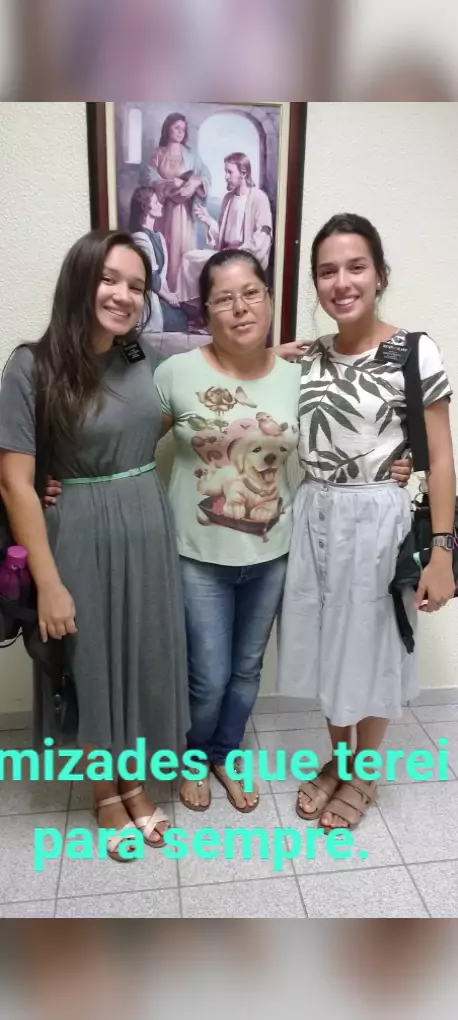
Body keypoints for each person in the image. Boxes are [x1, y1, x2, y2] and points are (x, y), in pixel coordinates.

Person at [43, 247, 411, 814]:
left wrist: (398, 465)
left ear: (269, 299)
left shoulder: (300, 377)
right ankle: (195, 756)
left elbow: (354, 432)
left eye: (251, 294)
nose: (240, 308)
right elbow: (121, 438)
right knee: (207, 675)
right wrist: (58, 474)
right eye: (224, 299)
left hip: (275, 553)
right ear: (206, 311)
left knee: (246, 671)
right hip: (195, 554)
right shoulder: (172, 373)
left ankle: (226, 753)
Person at [0, 229, 190, 862]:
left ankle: (133, 780)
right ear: (80, 280)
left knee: (138, 656)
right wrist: (49, 583)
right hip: (76, 534)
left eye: (136, 285)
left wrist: (277, 354)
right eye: (109, 279)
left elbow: (201, 379)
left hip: (145, 526)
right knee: (89, 663)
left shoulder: (140, 355)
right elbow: (15, 483)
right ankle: (104, 791)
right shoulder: (31, 365)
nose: (123, 295)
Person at [277, 212, 455, 831]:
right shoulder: (307, 357)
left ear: (380, 275)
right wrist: (269, 354)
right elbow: (246, 383)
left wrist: (442, 552)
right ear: (315, 282)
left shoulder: (413, 351)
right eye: (327, 271)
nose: (342, 282)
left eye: (356, 267)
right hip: (316, 514)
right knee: (329, 643)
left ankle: (364, 771)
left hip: (379, 520)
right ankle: (338, 756)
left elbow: (440, 459)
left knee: (376, 644)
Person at [176, 153, 273, 304]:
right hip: (224, 253)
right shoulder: (228, 199)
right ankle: (194, 306)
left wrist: (239, 252)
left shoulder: (259, 197)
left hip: (245, 257)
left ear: (243, 173)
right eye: (225, 172)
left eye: (229, 172)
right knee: (188, 259)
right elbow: (222, 236)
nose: (226, 177)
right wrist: (208, 220)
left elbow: (262, 237)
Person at [144, 112, 211, 291]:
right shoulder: (157, 154)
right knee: (164, 249)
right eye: (177, 128)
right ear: (168, 129)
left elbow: (205, 176)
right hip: (162, 209)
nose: (181, 131)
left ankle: (183, 293)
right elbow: (150, 178)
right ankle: (165, 291)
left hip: (183, 212)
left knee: (183, 250)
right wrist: (170, 185)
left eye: (183, 128)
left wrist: (192, 183)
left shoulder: (191, 155)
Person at [129, 182, 188, 333]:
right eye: (156, 202)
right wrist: (168, 297)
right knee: (178, 321)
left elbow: (162, 277)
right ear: (145, 207)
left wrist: (170, 295)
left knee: (183, 315)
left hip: (160, 293)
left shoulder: (159, 236)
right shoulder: (140, 238)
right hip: (149, 298)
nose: (161, 205)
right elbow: (152, 278)